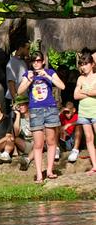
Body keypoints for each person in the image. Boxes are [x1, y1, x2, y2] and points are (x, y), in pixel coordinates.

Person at [17, 50, 65, 182]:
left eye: (38, 61)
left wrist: (47, 77)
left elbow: (62, 86)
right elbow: (19, 91)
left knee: (51, 141)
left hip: (50, 108)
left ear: (43, 61)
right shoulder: (28, 74)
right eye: (34, 61)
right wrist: (29, 80)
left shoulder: (49, 72)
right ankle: (39, 174)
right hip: (35, 110)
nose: (36, 63)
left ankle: (49, 170)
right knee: (38, 143)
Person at [72, 50, 96, 174]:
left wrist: (84, 92)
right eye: (82, 64)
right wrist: (89, 93)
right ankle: (95, 166)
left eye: (86, 63)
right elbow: (75, 95)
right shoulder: (80, 78)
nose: (84, 66)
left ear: (92, 64)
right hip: (84, 113)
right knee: (89, 139)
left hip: (95, 111)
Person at [11, 97, 35, 171]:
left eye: (22, 105)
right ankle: (28, 155)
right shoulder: (19, 119)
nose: (20, 107)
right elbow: (16, 133)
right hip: (26, 144)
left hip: (37, 143)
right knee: (16, 139)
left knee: (40, 140)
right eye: (19, 105)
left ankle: (27, 159)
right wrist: (17, 115)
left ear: (28, 105)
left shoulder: (34, 116)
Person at [6, 39, 30, 108]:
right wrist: (17, 102)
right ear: (20, 48)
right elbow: (11, 84)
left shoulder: (22, 62)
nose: (29, 51)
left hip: (24, 100)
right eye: (27, 49)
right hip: (18, 101)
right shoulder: (12, 63)